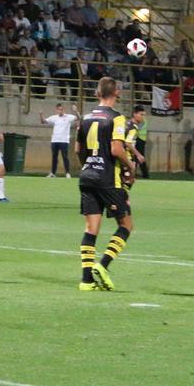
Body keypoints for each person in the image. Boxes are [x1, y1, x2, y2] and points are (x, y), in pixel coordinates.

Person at [76, 76, 137, 291]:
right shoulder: (117, 118)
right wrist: (130, 167)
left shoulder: (85, 118)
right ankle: (102, 266)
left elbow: (77, 150)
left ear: (97, 94)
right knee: (126, 225)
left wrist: (88, 166)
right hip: (109, 179)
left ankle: (86, 281)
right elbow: (116, 150)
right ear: (117, 93)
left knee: (91, 228)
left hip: (87, 176)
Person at [45, 102, 78, 177]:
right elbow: (44, 121)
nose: (61, 111)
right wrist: (40, 115)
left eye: (62, 109)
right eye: (59, 109)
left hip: (64, 141)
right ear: (57, 110)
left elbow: (78, 118)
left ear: (64, 109)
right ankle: (53, 173)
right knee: (54, 157)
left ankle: (67, 173)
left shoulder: (68, 117)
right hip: (54, 140)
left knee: (65, 157)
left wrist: (76, 111)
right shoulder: (54, 117)